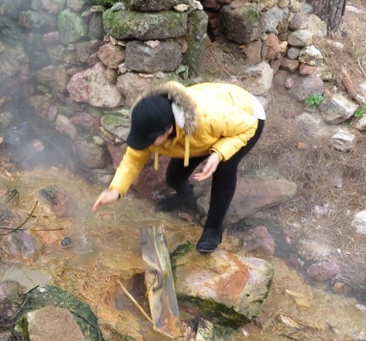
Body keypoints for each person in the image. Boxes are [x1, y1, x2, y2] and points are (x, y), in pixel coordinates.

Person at [92, 80, 265, 253]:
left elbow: (249, 125)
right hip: (202, 132)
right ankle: (185, 196)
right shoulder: (149, 121)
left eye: (150, 140)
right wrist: (115, 190)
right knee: (174, 176)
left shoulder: (207, 115)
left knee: (225, 169)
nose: (146, 144)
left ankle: (213, 229)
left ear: (167, 130)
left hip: (245, 118)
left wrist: (218, 153)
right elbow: (132, 159)